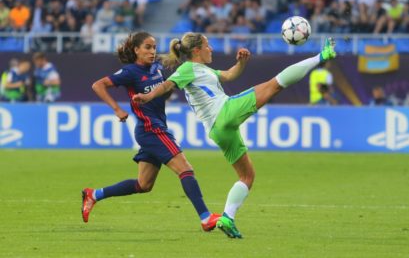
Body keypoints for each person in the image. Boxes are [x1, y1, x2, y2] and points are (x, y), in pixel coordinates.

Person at [133, 32, 337, 238]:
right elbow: (168, 85)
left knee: (247, 176)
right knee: (274, 85)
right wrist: (149, 96)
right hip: (225, 112)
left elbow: (230, 75)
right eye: (207, 45)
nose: (210, 48)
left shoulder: (203, 70)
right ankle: (322, 56)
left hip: (218, 131)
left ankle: (227, 218)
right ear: (196, 51)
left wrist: (241, 63)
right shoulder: (187, 68)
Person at [82, 32, 220, 232]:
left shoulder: (156, 68)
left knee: (144, 184)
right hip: (150, 129)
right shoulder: (130, 72)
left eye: (154, 47)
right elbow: (98, 85)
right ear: (136, 50)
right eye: (147, 47)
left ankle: (94, 194)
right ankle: (206, 217)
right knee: (186, 169)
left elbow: (164, 88)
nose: (152, 51)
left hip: (155, 127)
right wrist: (117, 109)